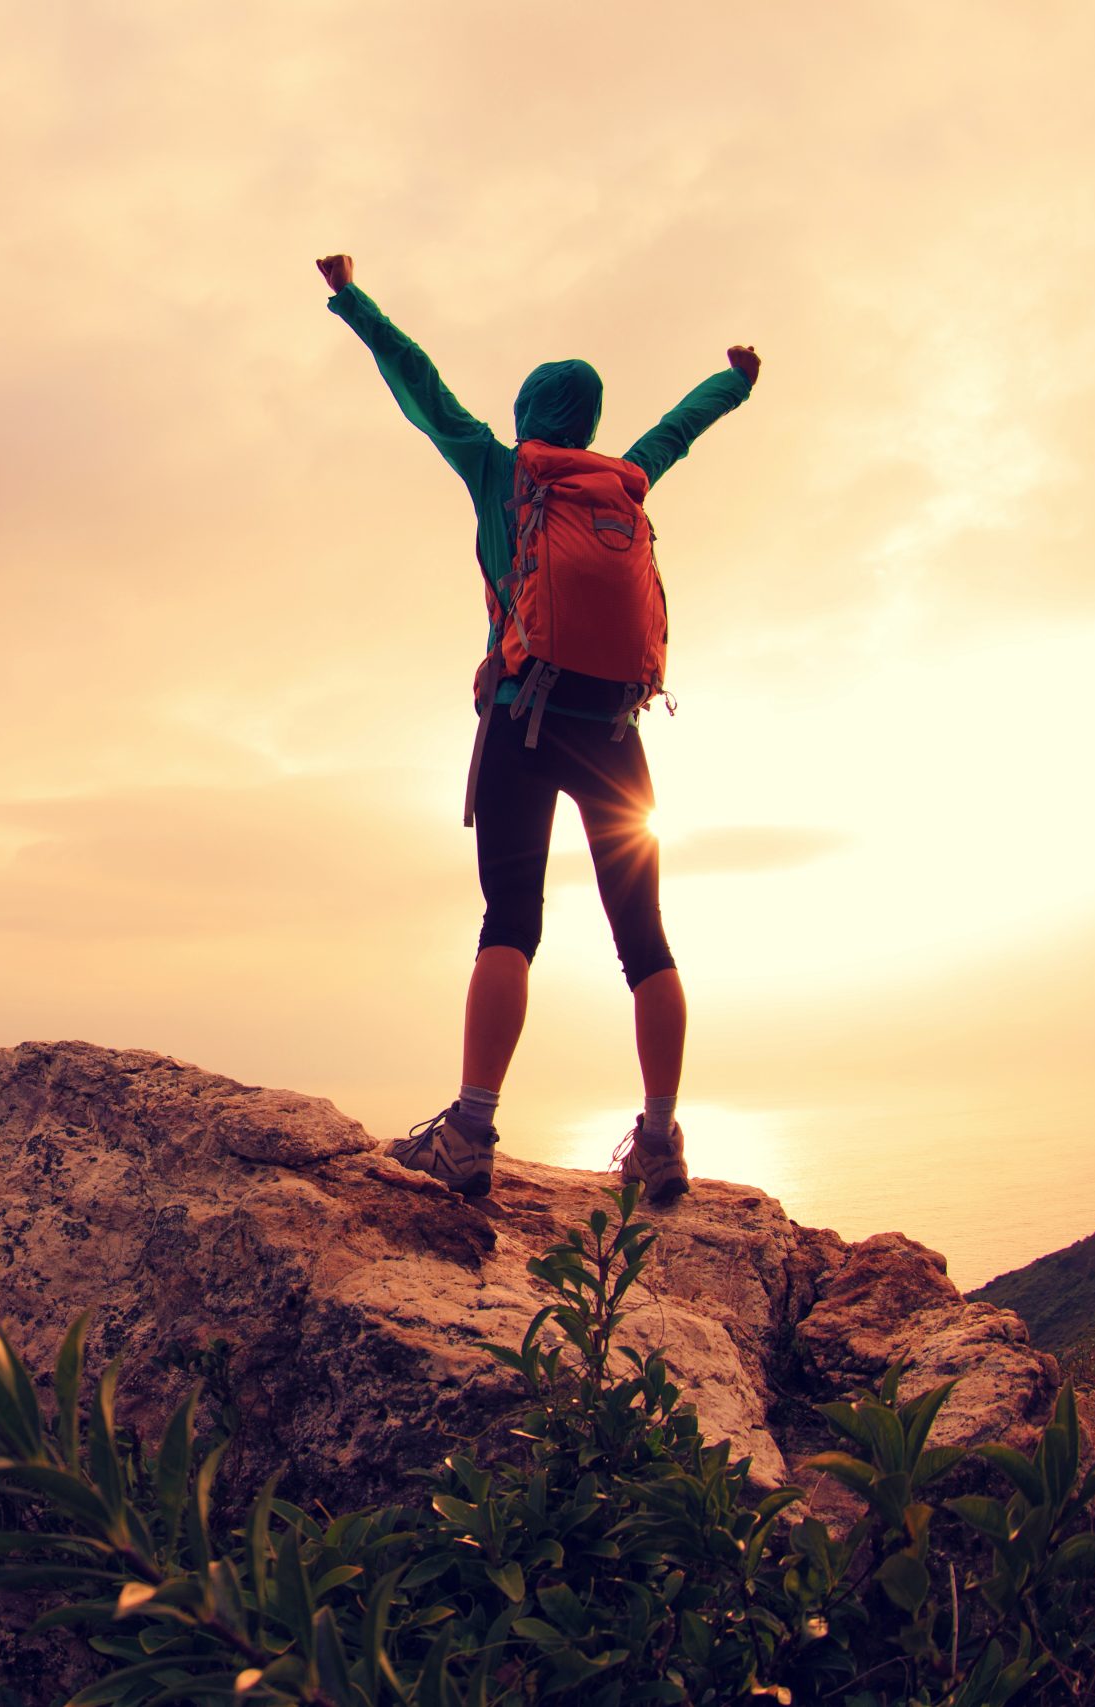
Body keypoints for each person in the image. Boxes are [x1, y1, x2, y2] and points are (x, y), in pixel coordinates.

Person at [315, 252, 758, 1205]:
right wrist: (737, 380)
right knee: (645, 938)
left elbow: (418, 380)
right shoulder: (625, 480)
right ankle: (662, 1139)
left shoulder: (497, 468)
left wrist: (352, 299)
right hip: (615, 732)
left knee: (511, 921)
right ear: (590, 423)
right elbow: (681, 427)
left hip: (523, 718)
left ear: (525, 416)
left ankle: (471, 1131)